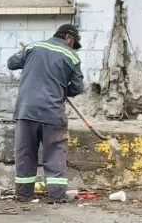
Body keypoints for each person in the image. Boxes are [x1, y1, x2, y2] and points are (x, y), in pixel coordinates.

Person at [6, 23, 85, 203]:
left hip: (26, 111)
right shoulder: (71, 57)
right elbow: (77, 87)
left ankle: (23, 195)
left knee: (25, 153)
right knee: (55, 153)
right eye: (73, 44)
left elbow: (11, 63)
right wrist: (63, 87)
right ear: (69, 38)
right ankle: (56, 196)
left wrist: (26, 55)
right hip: (52, 113)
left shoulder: (33, 47)